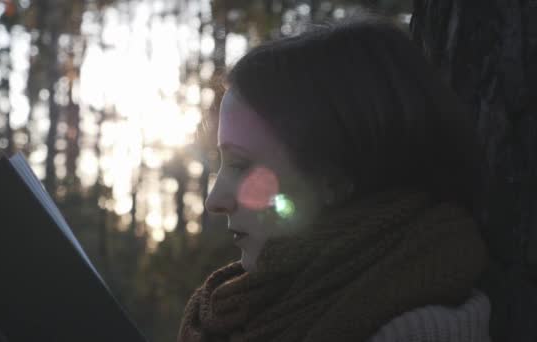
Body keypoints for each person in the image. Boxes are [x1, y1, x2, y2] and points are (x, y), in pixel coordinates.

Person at [178, 15, 492, 342]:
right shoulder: (245, 312)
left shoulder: (414, 334)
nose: (215, 201)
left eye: (241, 164)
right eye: (221, 162)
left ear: (335, 178)